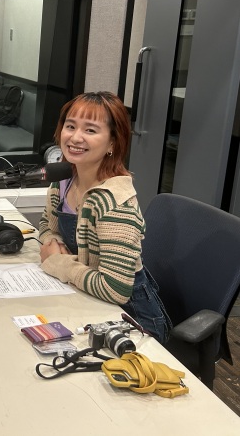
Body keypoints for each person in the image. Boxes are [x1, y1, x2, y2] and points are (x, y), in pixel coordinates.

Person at [38, 92, 171, 344]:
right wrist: (54, 243)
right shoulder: (65, 180)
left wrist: (59, 262)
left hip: (132, 320)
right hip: (86, 296)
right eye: (70, 126)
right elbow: (47, 225)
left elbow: (115, 289)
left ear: (112, 142)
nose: (75, 137)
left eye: (90, 130)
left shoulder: (114, 203)